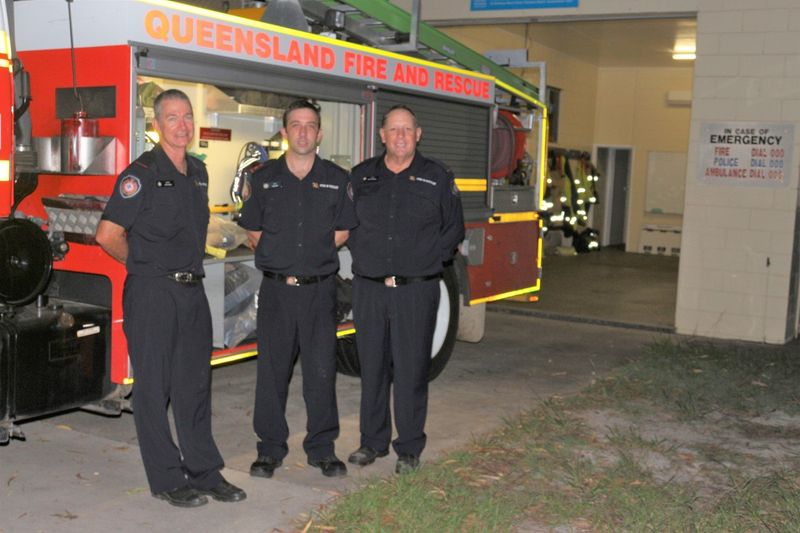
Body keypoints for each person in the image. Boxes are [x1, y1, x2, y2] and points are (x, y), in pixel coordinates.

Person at [95, 89, 245, 508]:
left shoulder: (198, 172)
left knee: (195, 386)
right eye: (172, 117)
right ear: (156, 125)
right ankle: (166, 478)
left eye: (187, 117)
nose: (182, 125)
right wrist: (145, 265)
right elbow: (107, 235)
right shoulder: (139, 173)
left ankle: (205, 471)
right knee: (154, 388)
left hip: (192, 292)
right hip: (153, 292)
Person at [238, 99, 357, 479]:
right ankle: (269, 450)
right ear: (284, 132)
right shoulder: (263, 178)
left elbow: (342, 232)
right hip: (276, 293)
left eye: (310, 125)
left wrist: (310, 260)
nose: (303, 131)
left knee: (322, 372)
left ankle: (322, 449)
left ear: (319, 134)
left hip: (319, 292)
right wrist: (284, 259)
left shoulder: (338, 179)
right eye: (296, 124)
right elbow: (253, 230)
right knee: (272, 374)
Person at [347, 105, 465, 474]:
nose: (400, 136)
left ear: (418, 134)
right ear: (381, 135)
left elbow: (453, 231)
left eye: (407, 130)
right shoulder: (361, 177)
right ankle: (372, 442)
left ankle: (409, 448)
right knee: (373, 368)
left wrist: (423, 261)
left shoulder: (438, 177)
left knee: (412, 370)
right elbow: (345, 225)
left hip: (416, 290)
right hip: (370, 290)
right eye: (393, 129)